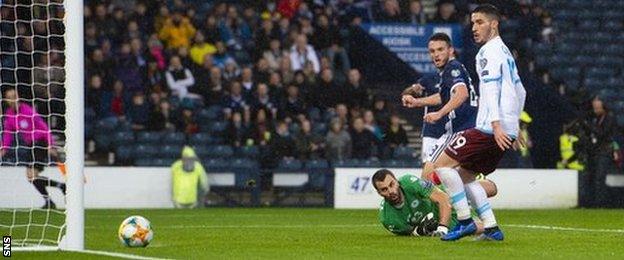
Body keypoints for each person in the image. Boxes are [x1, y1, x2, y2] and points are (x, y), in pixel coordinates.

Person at [429, 5, 526, 241]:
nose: (474, 27)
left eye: (480, 22)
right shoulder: (505, 52)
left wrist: (495, 125)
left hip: (488, 129)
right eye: (473, 23)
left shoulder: (487, 53)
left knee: (440, 168)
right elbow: (520, 90)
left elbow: (492, 90)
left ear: (494, 24)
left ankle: (465, 221)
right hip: (506, 129)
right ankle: (491, 227)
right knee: (466, 176)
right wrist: (515, 126)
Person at [402, 32, 478, 181]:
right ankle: (478, 204)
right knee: (460, 180)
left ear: (451, 50)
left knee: (429, 174)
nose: (435, 54)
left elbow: (462, 94)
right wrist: (417, 101)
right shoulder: (448, 71)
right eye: (432, 51)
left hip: (461, 130)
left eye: (440, 50)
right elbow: (442, 97)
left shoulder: (452, 68)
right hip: (467, 129)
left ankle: (432, 203)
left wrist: (439, 114)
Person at [373, 169, 498, 236]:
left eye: (392, 184)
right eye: (384, 189)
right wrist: (421, 231)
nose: (391, 191)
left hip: (447, 200)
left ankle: (471, 179)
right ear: (379, 193)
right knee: (487, 228)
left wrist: (442, 228)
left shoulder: (409, 182)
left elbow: (442, 199)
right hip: (445, 223)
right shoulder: (387, 219)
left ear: (397, 181)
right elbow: (411, 233)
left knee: (492, 189)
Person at [0, 88, 65, 209]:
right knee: (31, 177)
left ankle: (52, 198)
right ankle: (59, 190)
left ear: (18, 97)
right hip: (31, 145)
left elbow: (44, 127)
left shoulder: (27, 110)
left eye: (14, 96)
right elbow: (8, 133)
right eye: (9, 97)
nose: (12, 99)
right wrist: (4, 148)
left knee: (32, 175)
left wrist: (50, 145)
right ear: (6, 100)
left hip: (40, 143)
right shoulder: (9, 114)